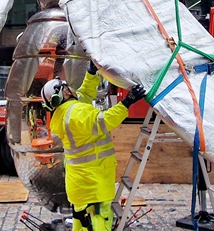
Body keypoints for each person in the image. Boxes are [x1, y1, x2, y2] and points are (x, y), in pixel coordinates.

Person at [41, 62, 146, 231]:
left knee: (80, 220)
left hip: (78, 182)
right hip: (94, 180)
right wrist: (127, 102)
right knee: (100, 219)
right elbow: (104, 121)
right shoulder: (77, 112)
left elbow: (85, 94)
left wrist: (91, 73)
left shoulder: (64, 112)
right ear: (66, 92)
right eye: (67, 87)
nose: (71, 89)